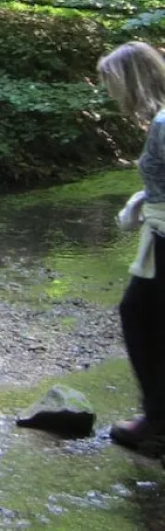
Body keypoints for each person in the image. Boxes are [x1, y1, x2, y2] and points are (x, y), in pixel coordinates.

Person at [98, 40, 165, 454]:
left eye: (112, 84)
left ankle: (156, 423)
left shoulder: (162, 124)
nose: (110, 94)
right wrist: (143, 200)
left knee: (138, 315)